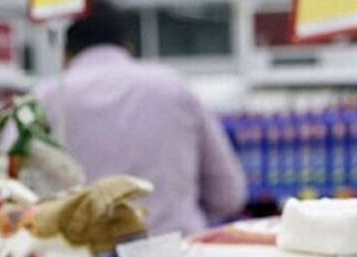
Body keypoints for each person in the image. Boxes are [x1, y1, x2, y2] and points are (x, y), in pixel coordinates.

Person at [37, 0, 246, 236]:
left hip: (78, 254)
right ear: (127, 46)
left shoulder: (46, 99)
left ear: (65, 53)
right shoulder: (172, 86)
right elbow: (228, 195)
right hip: (174, 248)